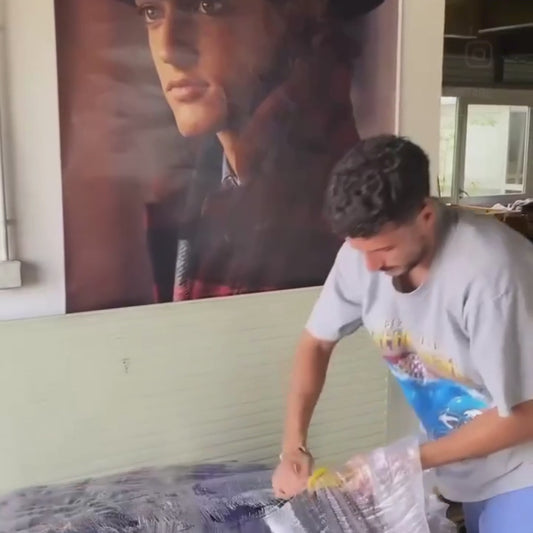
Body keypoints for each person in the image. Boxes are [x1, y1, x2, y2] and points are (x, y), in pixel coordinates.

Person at [272, 135, 533, 533]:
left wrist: (409, 460)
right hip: (469, 470)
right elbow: (316, 343)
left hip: (523, 469)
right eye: (360, 250)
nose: (370, 267)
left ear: (425, 215)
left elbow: (526, 414)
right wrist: (293, 447)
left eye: (384, 249)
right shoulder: (362, 257)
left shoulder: (493, 275)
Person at [121, 0, 385, 301]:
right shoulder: (188, 198)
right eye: (152, 12)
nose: (168, 49)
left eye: (209, 6)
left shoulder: (342, 215)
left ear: (292, 20)